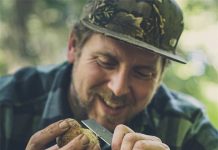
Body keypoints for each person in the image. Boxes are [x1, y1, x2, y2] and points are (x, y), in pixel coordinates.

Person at [0, 0, 218, 149]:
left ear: (160, 76)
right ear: (73, 46)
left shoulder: (186, 126)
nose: (118, 87)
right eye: (106, 62)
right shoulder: (8, 105)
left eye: (142, 73)